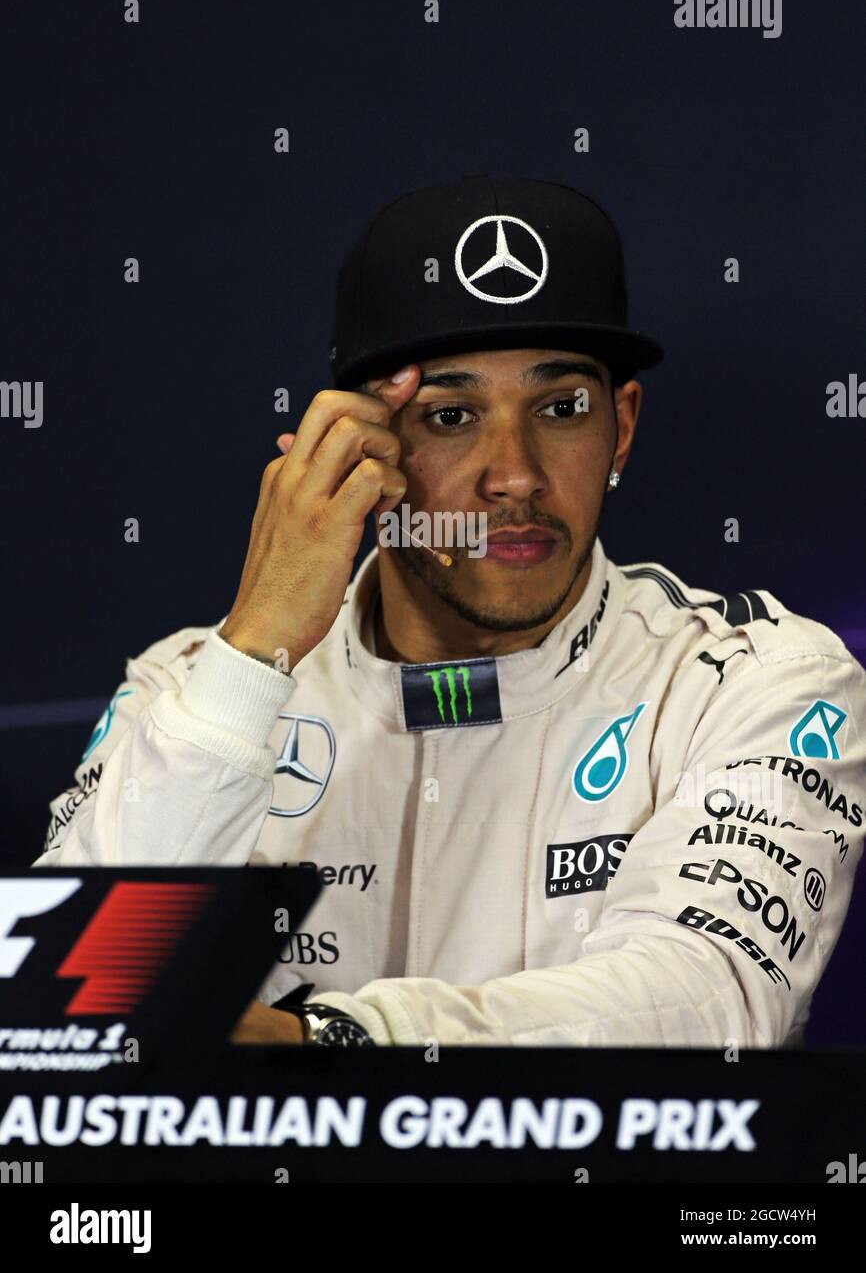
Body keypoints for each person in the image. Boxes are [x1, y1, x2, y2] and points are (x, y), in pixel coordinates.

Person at [35, 174, 866, 1049]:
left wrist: (324, 1045)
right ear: (356, 446)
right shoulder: (191, 686)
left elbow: (704, 1005)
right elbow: (70, 1014)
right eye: (452, 414)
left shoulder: (755, 682)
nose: (514, 474)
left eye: (560, 407)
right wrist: (255, 651)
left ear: (620, 426)